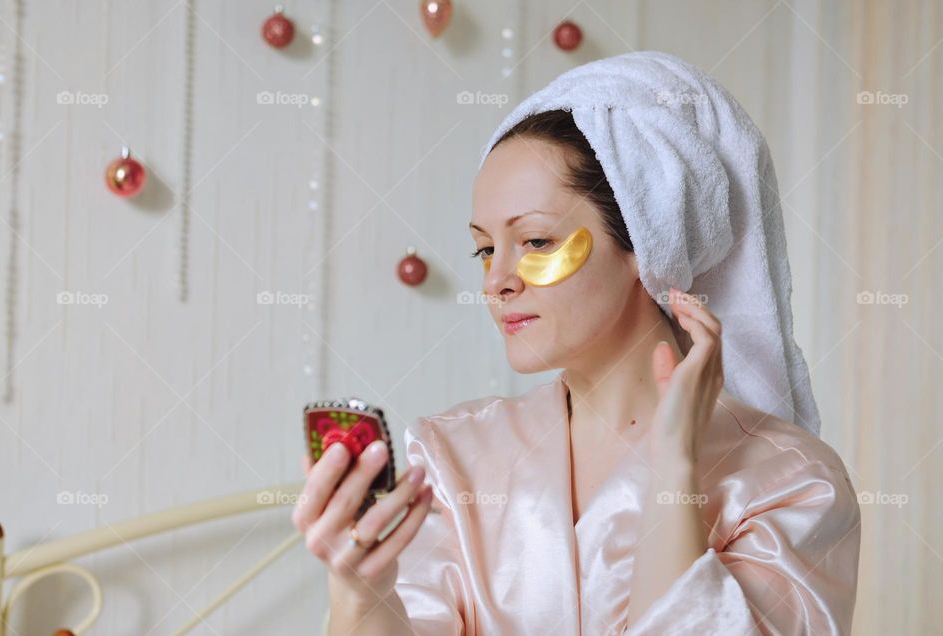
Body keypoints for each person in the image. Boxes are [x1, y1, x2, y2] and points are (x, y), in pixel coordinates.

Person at [292, 51, 861, 635]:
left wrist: (673, 465)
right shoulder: (450, 458)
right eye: (485, 249)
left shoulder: (791, 482)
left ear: (648, 240)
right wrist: (361, 593)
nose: (497, 281)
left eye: (536, 241)